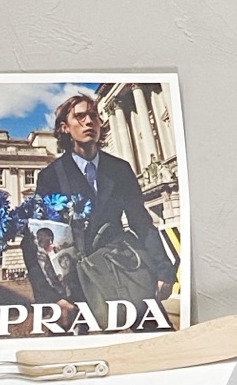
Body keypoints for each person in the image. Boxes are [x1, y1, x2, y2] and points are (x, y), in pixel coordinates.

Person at [35, 93, 174, 299]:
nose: (89, 121)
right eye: (80, 117)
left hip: (121, 269)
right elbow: (38, 240)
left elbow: (141, 223)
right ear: (65, 127)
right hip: (76, 282)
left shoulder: (120, 169)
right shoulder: (51, 176)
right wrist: (52, 298)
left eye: (93, 116)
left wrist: (164, 271)